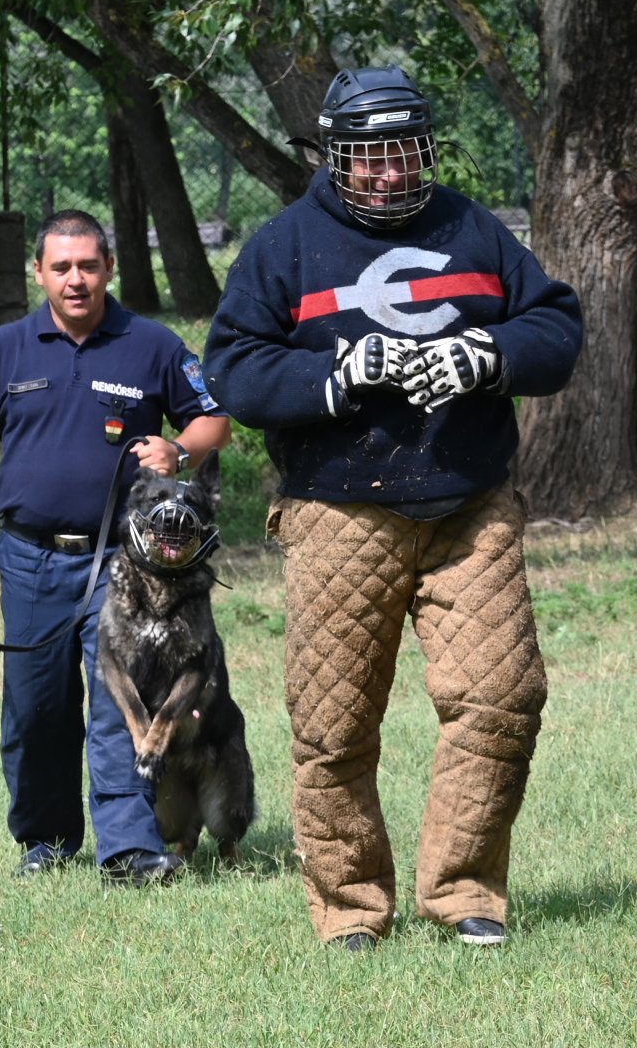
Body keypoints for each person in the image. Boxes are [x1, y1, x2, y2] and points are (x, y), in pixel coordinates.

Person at [202, 66, 583, 949]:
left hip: (470, 509)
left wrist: (487, 354)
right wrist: (337, 375)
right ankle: (350, 909)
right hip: (339, 510)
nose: (387, 173)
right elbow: (234, 369)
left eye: (404, 153)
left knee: (502, 698)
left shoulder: (471, 229)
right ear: (332, 157)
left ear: (426, 151)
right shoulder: (284, 246)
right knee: (333, 726)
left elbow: (556, 329)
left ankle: (465, 893)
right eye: (367, 158)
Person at [0, 209, 231, 885]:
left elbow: (213, 422)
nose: (76, 280)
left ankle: (128, 850)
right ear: (38, 272)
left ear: (110, 269)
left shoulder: (151, 345)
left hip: (126, 567)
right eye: (62, 267)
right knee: (36, 708)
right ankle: (45, 841)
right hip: (30, 559)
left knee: (122, 702)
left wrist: (179, 450)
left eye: (88, 266)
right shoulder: (4, 350)